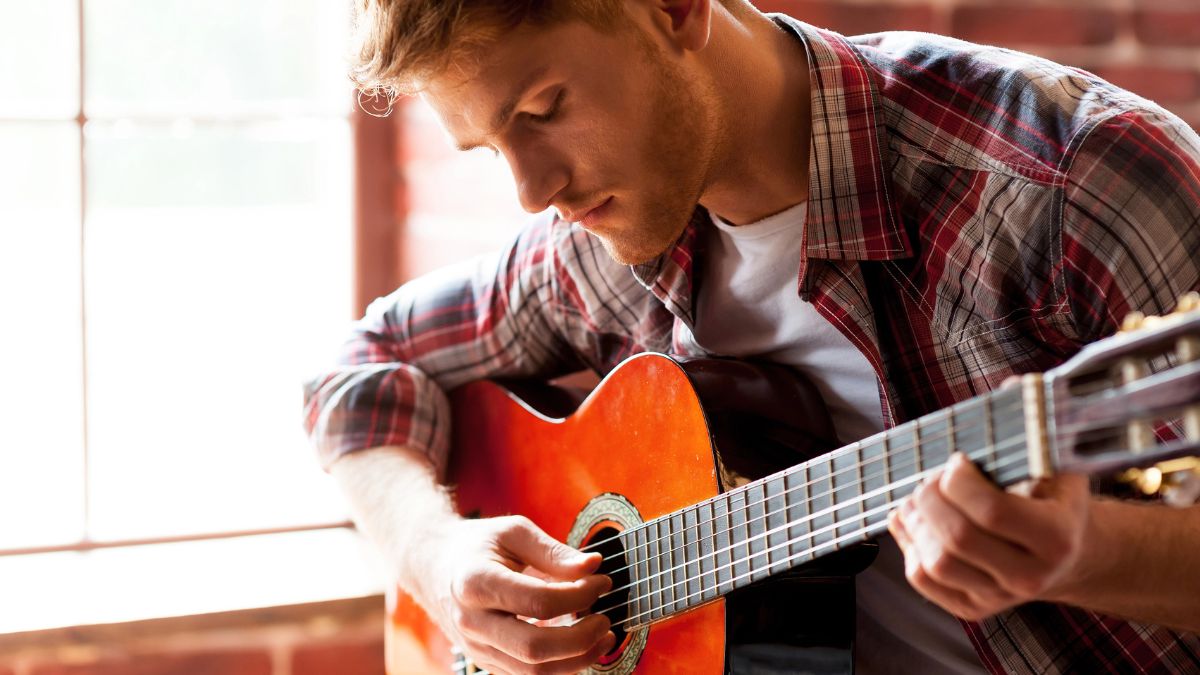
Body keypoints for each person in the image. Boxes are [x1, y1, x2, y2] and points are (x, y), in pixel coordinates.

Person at [303, 1, 1200, 673]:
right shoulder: (594, 251)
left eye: (542, 109)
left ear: (672, 10)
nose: (533, 191)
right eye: (489, 147)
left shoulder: (1071, 180)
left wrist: (1092, 554)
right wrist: (435, 554)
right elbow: (361, 370)